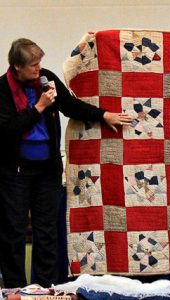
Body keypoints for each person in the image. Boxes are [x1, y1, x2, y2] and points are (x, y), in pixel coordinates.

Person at [0, 38, 132, 288]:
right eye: (33, 66)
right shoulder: (2, 89)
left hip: (47, 171)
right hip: (14, 173)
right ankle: (15, 289)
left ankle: (46, 287)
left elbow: (70, 106)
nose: (39, 69)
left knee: (46, 231)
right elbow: (6, 132)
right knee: (14, 232)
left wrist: (103, 115)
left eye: (40, 63)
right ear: (17, 66)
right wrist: (38, 107)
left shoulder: (46, 79)